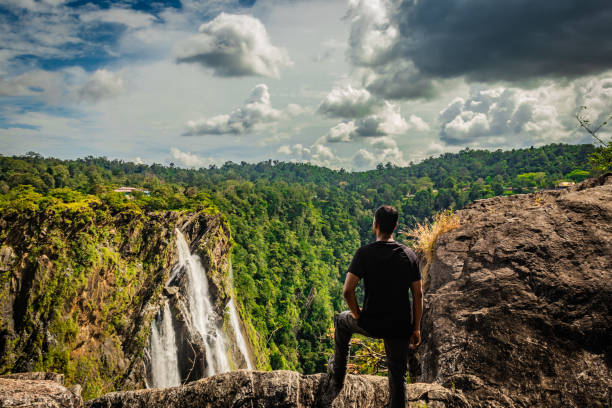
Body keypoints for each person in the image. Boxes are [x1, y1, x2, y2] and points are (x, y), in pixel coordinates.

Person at [323, 205, 423, 408]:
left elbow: (347, 291)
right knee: (397, 376)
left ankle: (338, 377)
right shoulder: (409, 255)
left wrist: (357, 314)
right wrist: (416, 328)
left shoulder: (364, 253)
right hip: (399, 326)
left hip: (371, 323)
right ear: (395, 226)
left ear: (375, 225)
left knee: (341, 322)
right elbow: (418, 294)